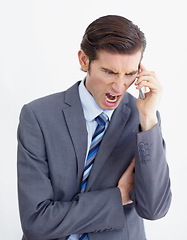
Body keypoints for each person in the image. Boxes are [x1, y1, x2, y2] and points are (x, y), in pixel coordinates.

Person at [17, 15, 172, 240]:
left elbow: (154, 209)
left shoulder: (143, 118)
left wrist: (148, 118)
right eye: (109, 72)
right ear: (84, 60)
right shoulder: (38, 116)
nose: (119, 87)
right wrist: (116, 198)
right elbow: (36, 222)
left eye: (129, 74)